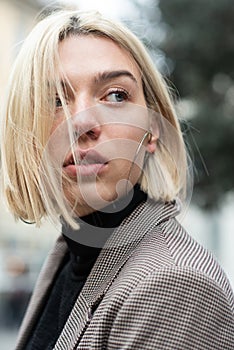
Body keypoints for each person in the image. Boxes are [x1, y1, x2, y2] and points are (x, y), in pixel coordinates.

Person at [1, 8, 234, 350]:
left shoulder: (174, 285)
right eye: (54, 100)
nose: (81, 122)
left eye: (116, 95)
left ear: (153, 129)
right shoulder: (72, 255)